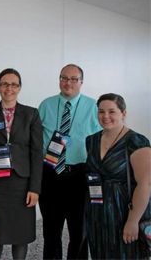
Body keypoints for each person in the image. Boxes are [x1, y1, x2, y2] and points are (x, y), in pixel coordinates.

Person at [0, 68, 43, 259]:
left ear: (19, 88)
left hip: (22, 184)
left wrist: (35, 188)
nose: (9, 88)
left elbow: (37, 153)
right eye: (5, 83)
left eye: (14, 84)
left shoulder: (31, 114)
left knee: (20, 235)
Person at [38, 64, 102, 259]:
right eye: (64, 78)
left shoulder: (94, 107)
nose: (68, 83)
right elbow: (35, 137)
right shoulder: (46, 105)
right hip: (50, 174)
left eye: (73, 79)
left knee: (79, 232)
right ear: (59, 80)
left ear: (81, 82)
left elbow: (103, 138)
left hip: (80, 175)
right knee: (51, 231)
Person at [85, 93, 151, 259]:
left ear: (123, 113)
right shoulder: (91, 141)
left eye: (111, 111)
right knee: (99, 252)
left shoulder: (136, 141)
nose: (105, 116)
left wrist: (133, 221)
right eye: (101, 111)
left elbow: (145, 185)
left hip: (124, 210)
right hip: (97, 210)